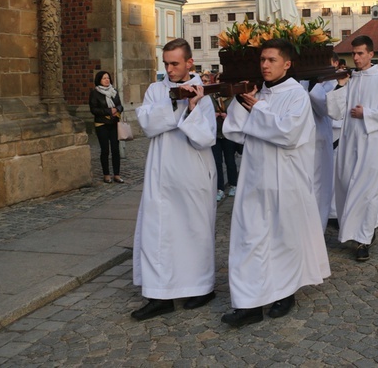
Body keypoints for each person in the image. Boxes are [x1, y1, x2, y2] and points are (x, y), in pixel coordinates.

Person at [220, 38, 330, 328]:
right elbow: (234, 131)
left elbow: (288, 133)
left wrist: (257, 110)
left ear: (287, 63)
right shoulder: (257, 94)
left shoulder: (297, 95)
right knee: (249, 239)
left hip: (285, 178)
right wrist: (243, 105)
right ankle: (249, 304)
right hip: (255, 177)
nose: (265, 65)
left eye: (271, 60)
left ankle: (285, 293)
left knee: (283, 238)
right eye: (262, 60)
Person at [131, 38, 217, 321]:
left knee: (194, 230)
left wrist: (191, 107)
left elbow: (206, 137)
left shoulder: (202, 93)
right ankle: (159, 295)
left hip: (191, 171)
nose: (169, 69)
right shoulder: (156, 89)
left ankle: (201, 286)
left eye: (175, 63)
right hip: (160, 171)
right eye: (166, 63)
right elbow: (147, 123)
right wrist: (175, 103)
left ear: (189, 63)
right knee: (157, 232)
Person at [327, 35, 378, 262]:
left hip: (372, 144)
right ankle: (355, 230)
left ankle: (364, 239)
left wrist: (366, 113)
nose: (356, 58)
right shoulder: (349, 79)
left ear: (371, 54)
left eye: (360, 53)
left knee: (367, 192)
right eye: (354, 54)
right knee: (348, 185)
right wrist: (340, 86)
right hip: (350, 143)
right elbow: (334, 111)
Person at [307, 51, 340, 230]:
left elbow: (327, 107)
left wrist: (314, 86)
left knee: (321, 183)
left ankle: (321, 223)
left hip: (323, 136)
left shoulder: (333, 82)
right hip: (303, 138)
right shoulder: (301, 81)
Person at [201, 73, 240, 202]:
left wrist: (227, 116)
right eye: (218, 80)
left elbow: (238, 116)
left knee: (230, 161)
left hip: (228, 134)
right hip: (215, 134)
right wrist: (214, 114)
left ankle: (233, 184)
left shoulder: (233, 97)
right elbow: (205, 112)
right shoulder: (211, 97)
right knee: (216, 162)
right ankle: (219, 188)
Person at [89, 70, 124, 184]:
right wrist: (109, 111)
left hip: (114, 124)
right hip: (102, 124)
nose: (107, 80)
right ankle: (106, 174)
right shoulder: (95, 93)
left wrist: (117, 109)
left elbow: (119, 105)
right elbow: (94, 109)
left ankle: (117, 174)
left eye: (108, 78)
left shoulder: (114, 91)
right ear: (99, 80)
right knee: (105, 150)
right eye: (104, 78)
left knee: (115, 149)